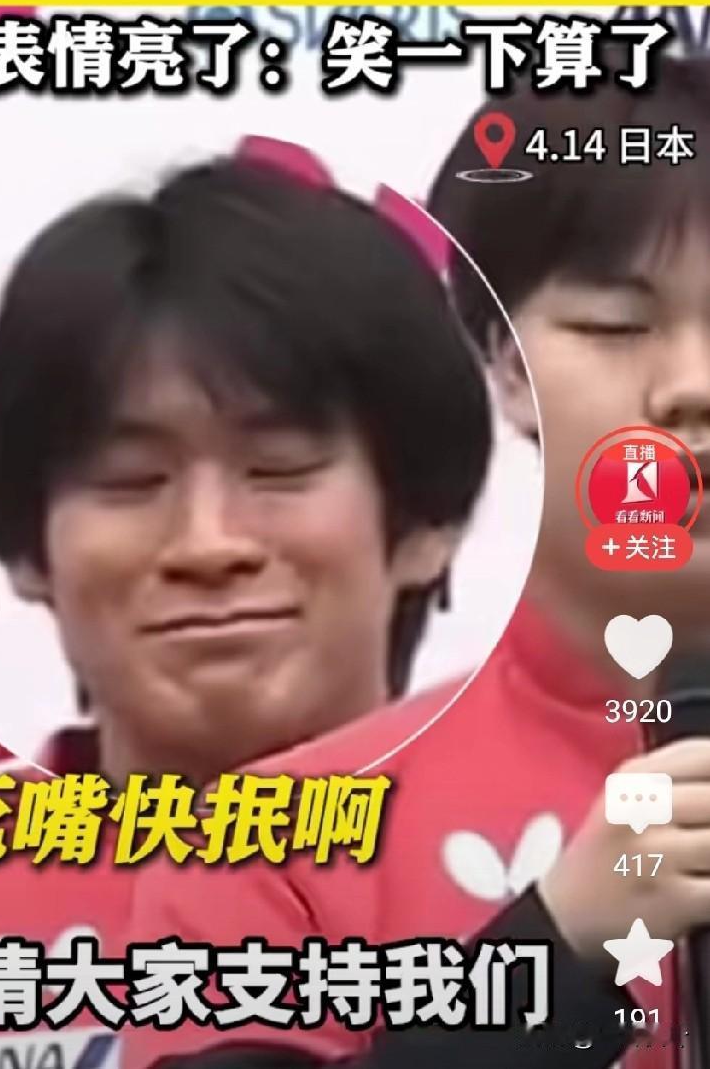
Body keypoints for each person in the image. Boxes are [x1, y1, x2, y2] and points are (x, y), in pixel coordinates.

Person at [0, 156, 495, 1066]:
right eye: (130, 480)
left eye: (278, 469)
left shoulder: (574, 861)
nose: (208, 544)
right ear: (27, 549)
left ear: (426, 523)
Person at [122, 57, 710, 1069]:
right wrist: (552, 957)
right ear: (502, 367)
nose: (692, 388)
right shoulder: (273, 847)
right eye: (615, 327)